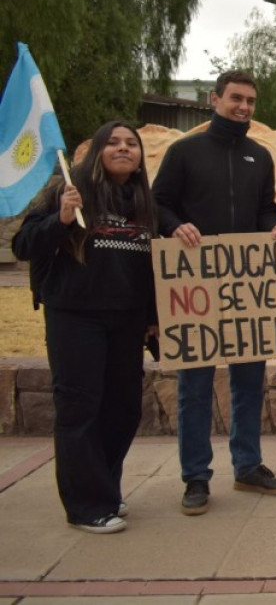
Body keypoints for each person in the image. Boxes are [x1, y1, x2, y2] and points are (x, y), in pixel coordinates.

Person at [153, 70, 276, 515]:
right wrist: (176, 226)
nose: (244, 107)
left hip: (246, 290)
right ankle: (196, 477)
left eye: (251, 101)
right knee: (194, 387)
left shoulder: (260, 156)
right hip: (195, 286)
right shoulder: (183, 152)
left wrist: (274, 226)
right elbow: (157, 204)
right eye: (236, 98)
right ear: (215, 99)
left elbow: (264, 210)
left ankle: (248, 466)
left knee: (249, 382)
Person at [13, 122, 157, 534]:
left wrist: (152, 318)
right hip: (75, 316)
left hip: (126, 320)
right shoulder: (68, 191)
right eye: (113, 143)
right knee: (80, 408)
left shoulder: (144, 201)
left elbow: (149, 267)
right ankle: (85, 505)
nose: (123, 149)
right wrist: (59, 219)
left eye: (131, 144)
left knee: (124, 408)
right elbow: (23, 245)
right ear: (96, 150)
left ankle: (105, 489)